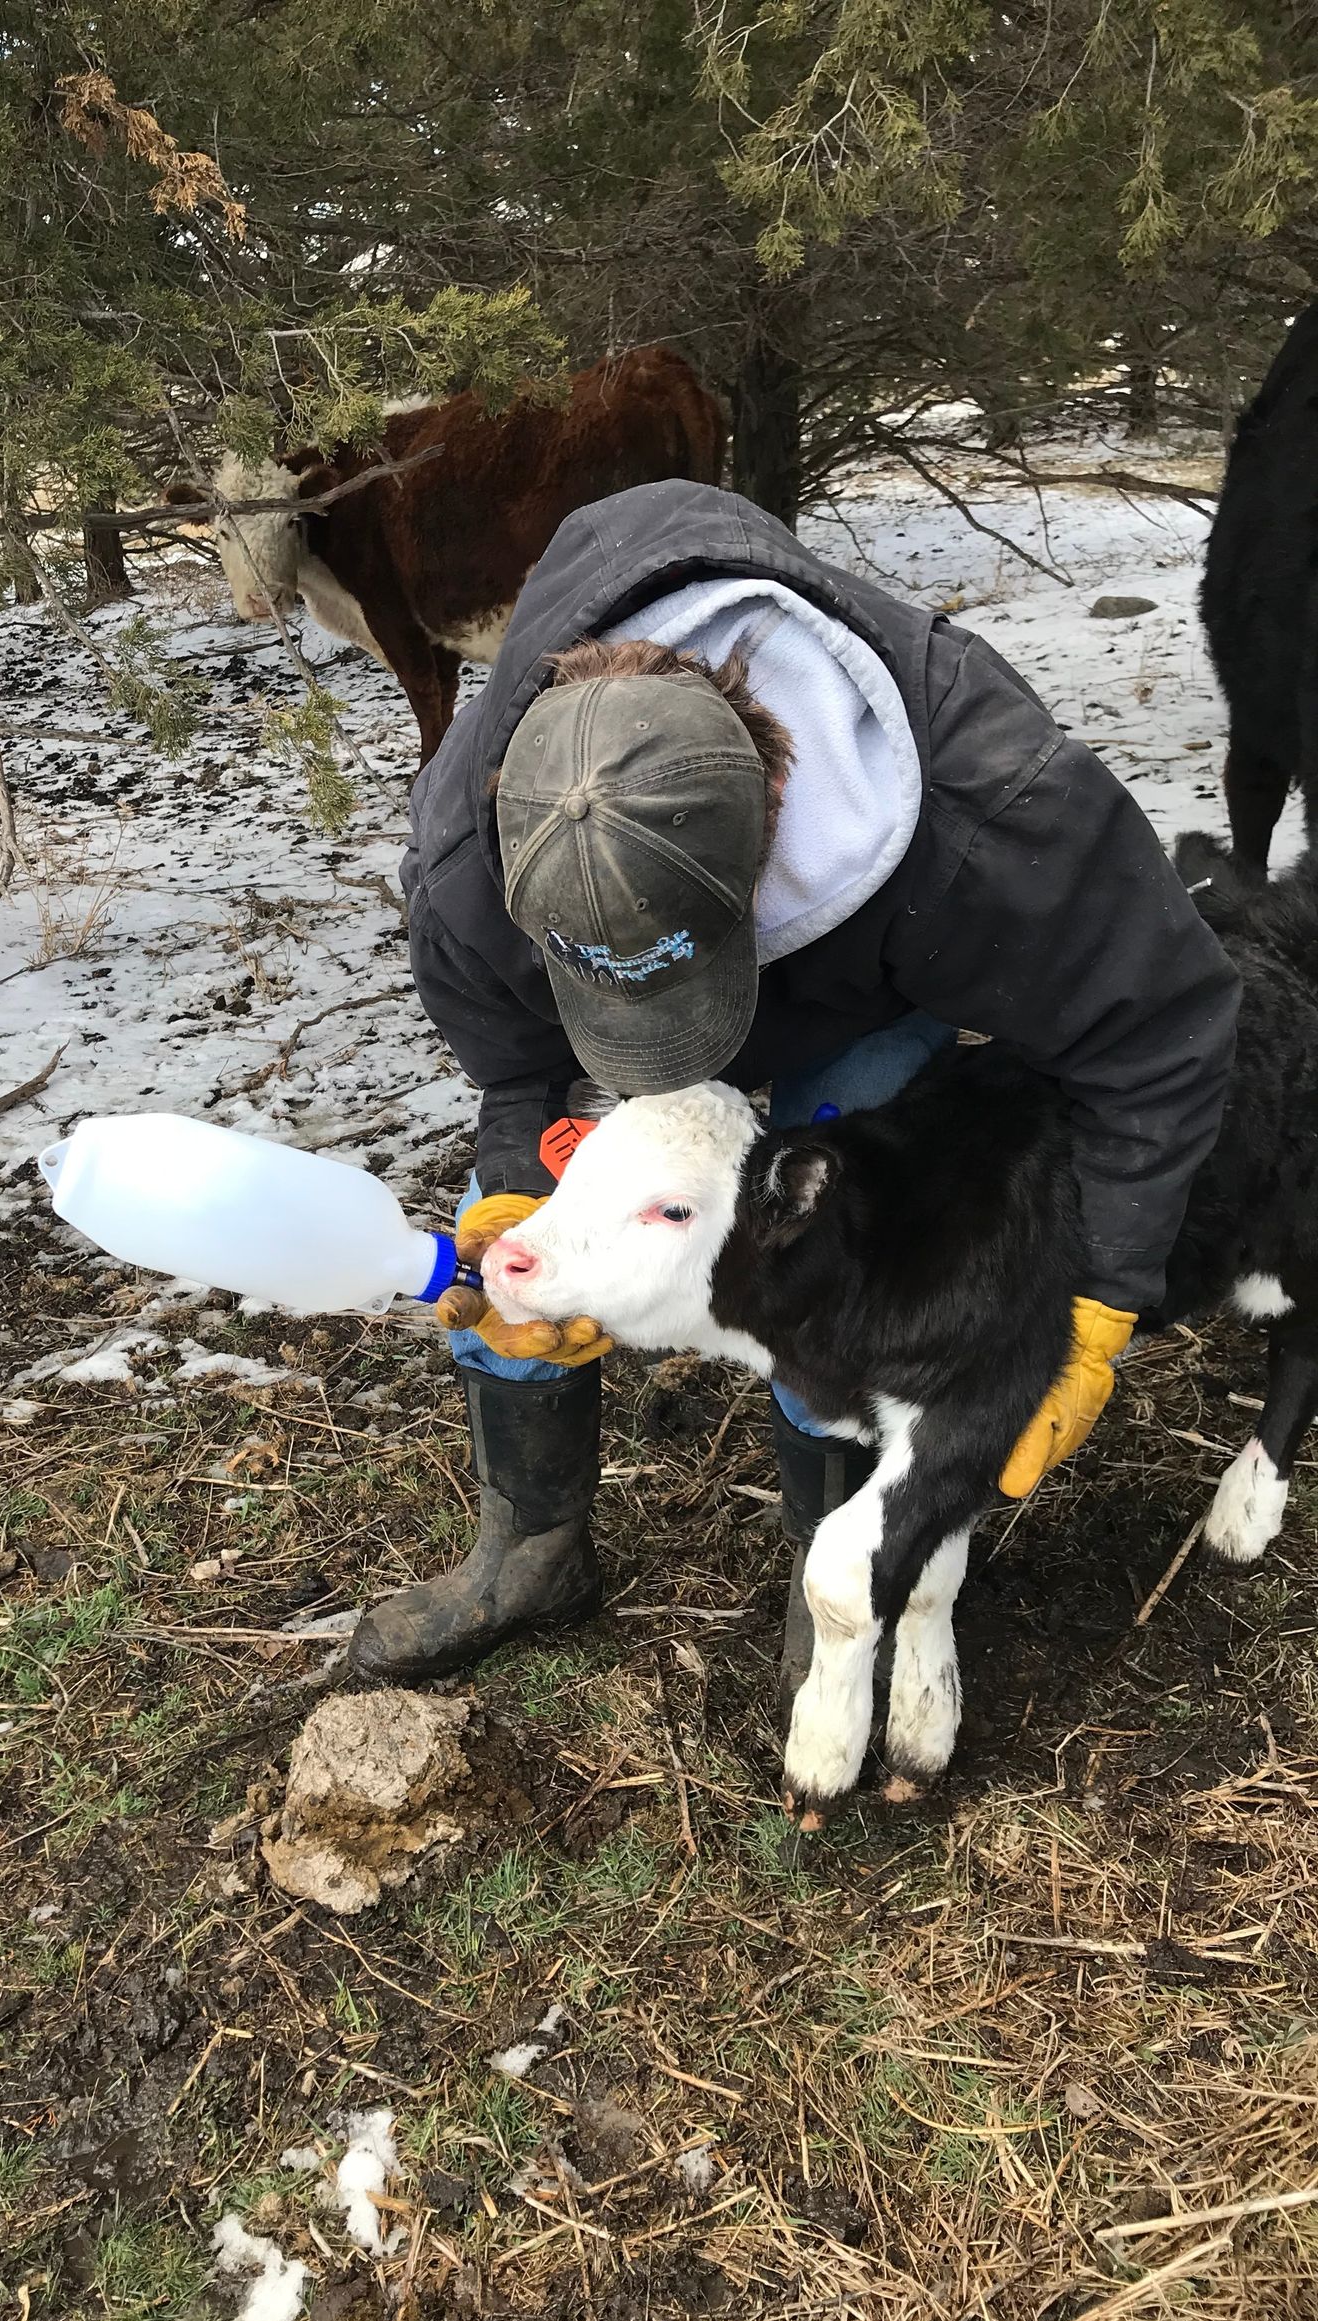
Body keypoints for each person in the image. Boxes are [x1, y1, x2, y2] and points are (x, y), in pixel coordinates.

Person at [346, 480, 1240, 1694]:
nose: (678, 1064)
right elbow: (513, 1058)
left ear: (779, 814)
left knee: (830, 1235)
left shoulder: (981, 814)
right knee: (514, 1262)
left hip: (857, 980)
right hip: (653, 949)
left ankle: (827, 1558)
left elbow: (1161, 1028)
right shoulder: (464, 865)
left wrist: (1101, 1304)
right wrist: (520, 1178)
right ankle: (533, 1546)